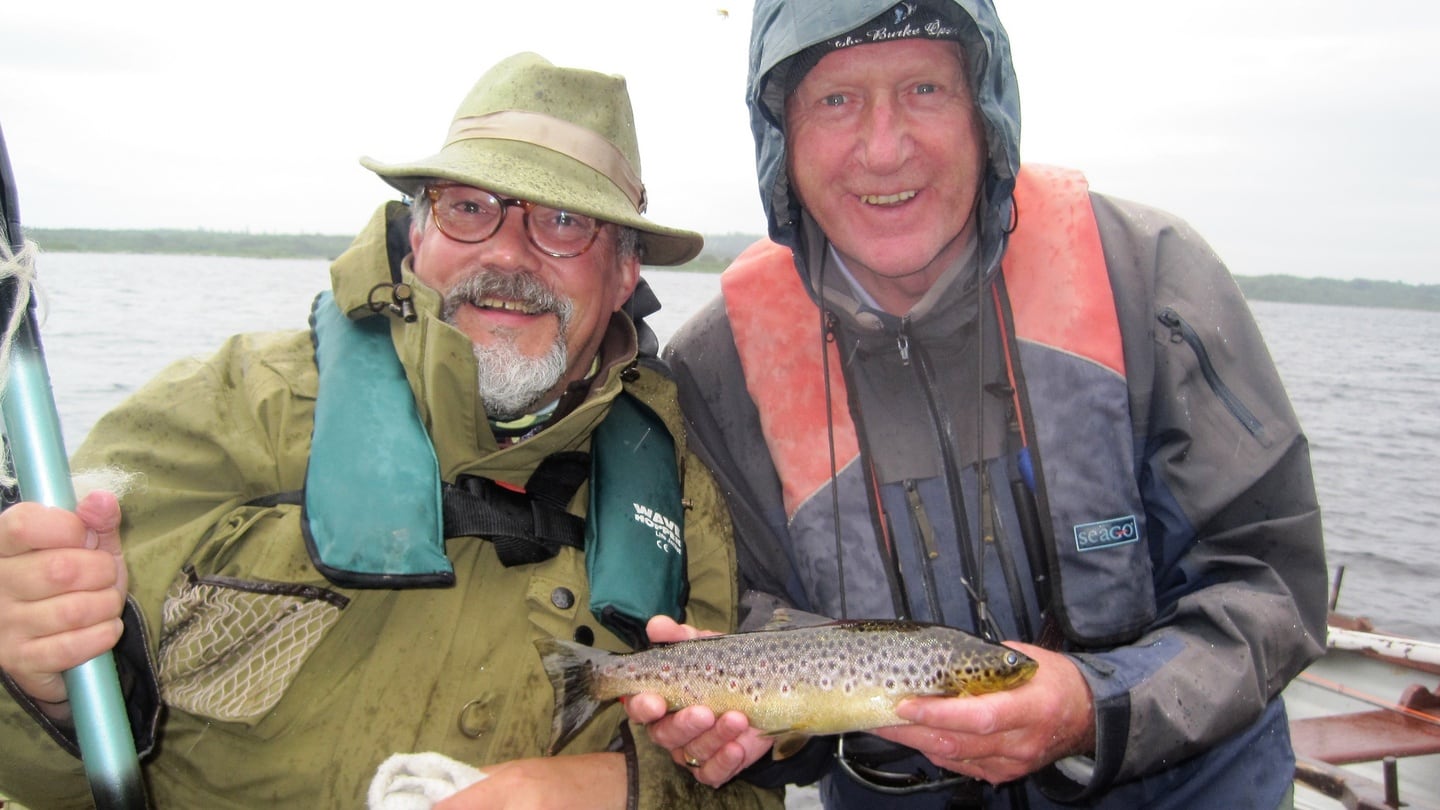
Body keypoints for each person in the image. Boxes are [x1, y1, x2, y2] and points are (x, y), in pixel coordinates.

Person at [0, 52, 780, 810]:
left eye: (565, 222)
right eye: (468, 208)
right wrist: (38, 688)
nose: (507, 253)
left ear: (623, 275)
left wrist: (625, 790)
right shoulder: (223, 407)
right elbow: (40, 782)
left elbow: (746, 787)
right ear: (418, 236)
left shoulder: (682, 496)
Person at [626, 1, 1329, 808]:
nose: (885, 150)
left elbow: (1269, 582)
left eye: (924, 89)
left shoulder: (1152, 278)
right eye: (836, 100)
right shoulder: (717, 371)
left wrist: (1093, 709)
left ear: (985, 106)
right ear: (780, 136)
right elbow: (748, 643)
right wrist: (749, 742)